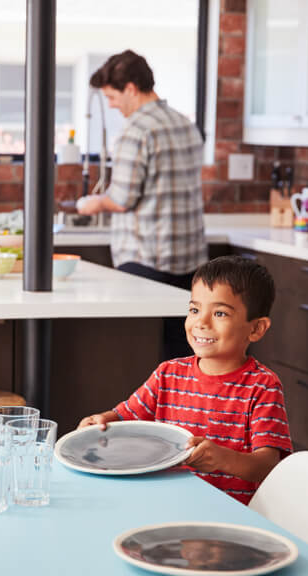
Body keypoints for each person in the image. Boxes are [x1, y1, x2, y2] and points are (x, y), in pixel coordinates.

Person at [78, 256, 292, 504]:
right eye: (194, 309)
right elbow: (124, 417)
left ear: (256, 329)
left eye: (220, 313)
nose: (201, 322)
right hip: (164, 504)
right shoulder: (168, 374)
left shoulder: (263, 386)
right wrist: (102, 420)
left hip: (227, 517)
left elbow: (267, 465)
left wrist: (223, 458)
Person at [77, 49, 206, 359]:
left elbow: (122, 199)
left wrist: (91, 203)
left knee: (141, 356)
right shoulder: (185, 124)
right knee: (183, 356)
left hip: (146, 261)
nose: (111, 105)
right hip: (189, 262)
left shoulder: (136, 130)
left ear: (131, 89)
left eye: (112, 96)